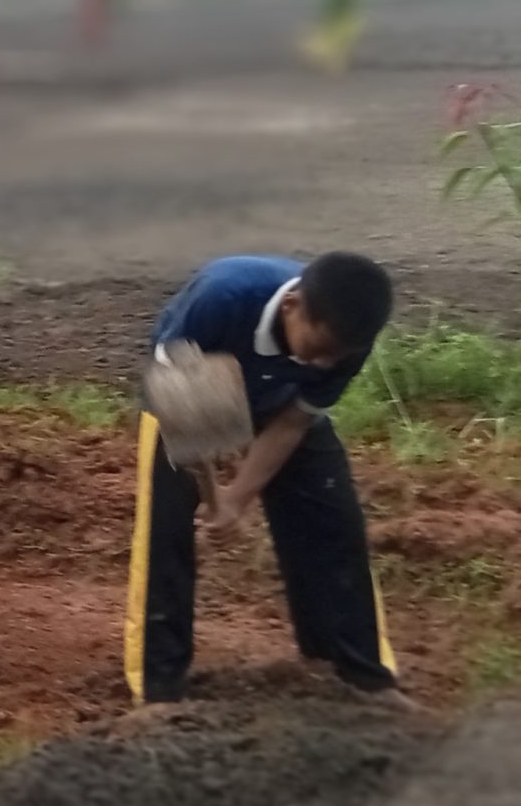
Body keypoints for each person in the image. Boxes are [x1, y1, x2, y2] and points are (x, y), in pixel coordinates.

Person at [126, 252, 405, 707]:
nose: (322, 363)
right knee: (167, 535)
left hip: (279, 402)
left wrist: (237, 497)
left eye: (336, 356)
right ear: (293, 305)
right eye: (318, 348)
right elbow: (186, 408)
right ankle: (158, 694)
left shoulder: (350, 340)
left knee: (335, 527)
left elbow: (294, 422)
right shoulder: (223, 297)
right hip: (186, 393)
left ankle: (357, 678)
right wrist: (210, 490)